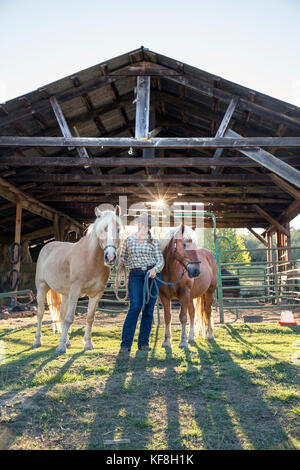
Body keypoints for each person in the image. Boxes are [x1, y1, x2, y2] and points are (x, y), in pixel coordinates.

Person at [117, 213, 164, 352]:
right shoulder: (128, 240)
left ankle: (144, 343)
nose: (141, 226)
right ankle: (125, 344)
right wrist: (120, 262)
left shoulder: (154, 241)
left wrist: (155, 270)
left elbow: (160, 260)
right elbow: (123, 258)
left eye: (144, 224)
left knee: (148, 310)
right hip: (136, 275)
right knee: (135, 307)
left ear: (149, 226)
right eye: (139, 223)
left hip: (152, 276)